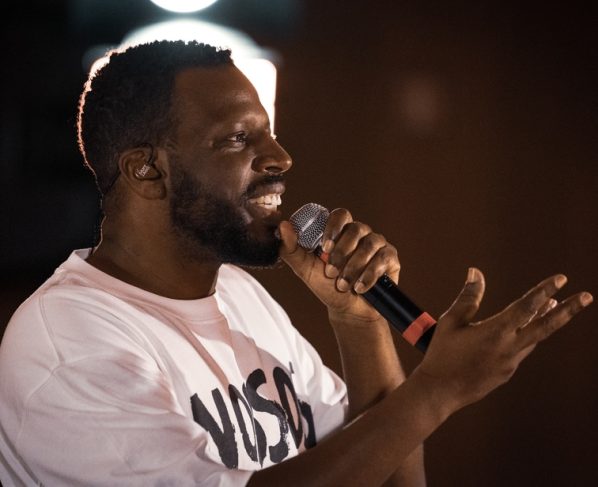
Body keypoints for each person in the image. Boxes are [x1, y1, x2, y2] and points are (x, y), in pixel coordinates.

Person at [0, 40, 592, 487]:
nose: (280, 157)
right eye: (238, 139)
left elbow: (391, 477)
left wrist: (359, 324)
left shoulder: (241, 297)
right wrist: (436, 391)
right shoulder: (70, 340)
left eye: (270, 134)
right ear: (146, 170)